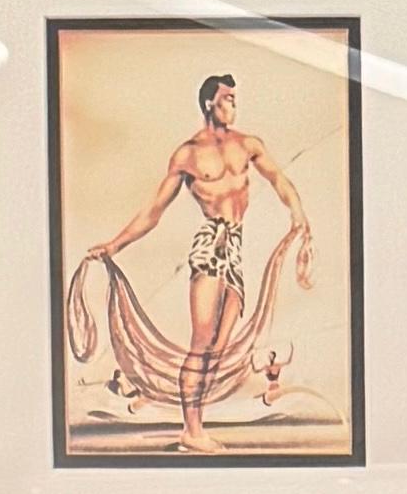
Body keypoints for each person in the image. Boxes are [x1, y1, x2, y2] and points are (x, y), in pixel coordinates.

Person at [63, 69, 318, 444]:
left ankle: (194, 424)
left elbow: (279, 179)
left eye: (234, 98)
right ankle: (191, 431)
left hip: (234, 251)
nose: (233, 105)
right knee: (202, 343)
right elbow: (154, 211)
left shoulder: (248, 144)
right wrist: (114, 246)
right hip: (208, 249)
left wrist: (298, 214)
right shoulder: (187, 155)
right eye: (227, 98)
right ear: (208, 104)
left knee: (217, 348)